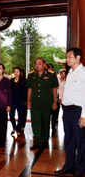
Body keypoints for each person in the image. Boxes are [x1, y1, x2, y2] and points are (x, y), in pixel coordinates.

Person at [54, 48, 85, 176]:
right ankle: (69, 166)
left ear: (78, 58)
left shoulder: (83, 73)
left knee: (81, 142)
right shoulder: (70, 73)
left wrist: (83, 116)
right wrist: (64, 112)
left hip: (78, 111)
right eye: (66, 57)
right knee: (69, 141)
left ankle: (80, 170)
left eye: (69, 57)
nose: (67, 59)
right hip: (67, 111)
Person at [26, 58, 58, 149]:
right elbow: (29, 89)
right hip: (35, 103)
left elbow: (54, 88)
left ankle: (44, 140)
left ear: (44, 64)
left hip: (46, 103)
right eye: (36, 64)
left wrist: (55, 101)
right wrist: (28, 101)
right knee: (35, 123)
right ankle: (37, 141)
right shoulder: (31, 75)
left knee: (45, 122)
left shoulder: (51, 75)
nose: (37, 66)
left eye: (39, 64)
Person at [9, 67, 27, 137]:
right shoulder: (10, 81)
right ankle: (14, 127)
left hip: (21, 101)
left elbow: (27, 91)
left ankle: (19, 130)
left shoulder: (24, 81)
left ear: (20, 73)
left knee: (21, 116)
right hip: (13, 101)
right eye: (15, 71)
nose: (16, 73)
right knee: (11, 115)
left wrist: (26, 100)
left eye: (17, 71)